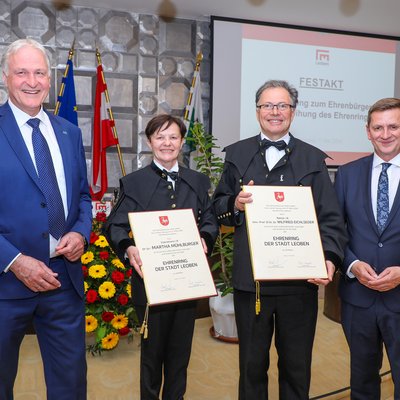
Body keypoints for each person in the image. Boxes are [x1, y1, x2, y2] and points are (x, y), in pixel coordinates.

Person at [213, 79, 347, 399]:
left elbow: (331, 220)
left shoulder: (314, 160)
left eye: (282, 105)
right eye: (268, 106)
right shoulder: (237, 154)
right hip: (252, 284)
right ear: (257, 111)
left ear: (293, 112)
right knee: (251, 367)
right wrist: (234, 204)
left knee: (296, 368)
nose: (275, 112)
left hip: (299, 285)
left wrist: (329, 259)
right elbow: (216, 207)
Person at [0, 39, 92, 399]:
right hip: (6, 284)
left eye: (39, 72)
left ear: (50, 80)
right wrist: (15, 261)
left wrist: (81, 233)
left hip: (62, 283)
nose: (32, 81)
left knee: (70, 384)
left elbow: (83, 196)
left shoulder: (69, 132)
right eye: (22, 72)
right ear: (6, 77)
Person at [104, 114, 218, 400]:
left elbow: (210, 220)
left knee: (180, 356)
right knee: (151, 358)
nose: (167, 143)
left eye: (173, 137)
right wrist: (129, 247)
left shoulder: (198, 180)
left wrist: (204, 237)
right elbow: (114, 225)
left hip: (187, 282)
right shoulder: (133, 183)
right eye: (160, 137)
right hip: (150, 285)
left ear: (182, 142)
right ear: (149, 141)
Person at [334, 97, 400, 399]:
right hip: (358, 299)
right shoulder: (347, 174)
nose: (385, 134)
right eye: (378, 127)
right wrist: (350, 265)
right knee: (361, 383)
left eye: (393, 126)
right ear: (368, 131)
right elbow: (336, 231)